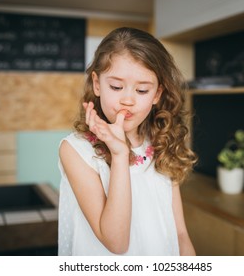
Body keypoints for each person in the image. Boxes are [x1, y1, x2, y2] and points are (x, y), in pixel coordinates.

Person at [58, 27, 197, 256]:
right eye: (116, 87)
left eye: (142, 90)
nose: (128, 100)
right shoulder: (76, 150)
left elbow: (180, 234)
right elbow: (117, 243)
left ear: (156, 95)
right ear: (97, 84)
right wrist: (120, 154)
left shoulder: (160, 144)